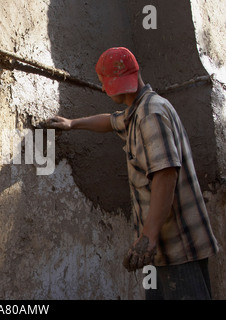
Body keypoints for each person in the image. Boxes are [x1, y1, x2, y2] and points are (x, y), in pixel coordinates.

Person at [46, 47, 219, 300]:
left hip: (177, 249)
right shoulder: (138, 111)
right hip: (163, 251)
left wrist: (147, 237)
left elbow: (165, 174)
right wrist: (72, 123)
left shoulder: (151, 115)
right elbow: (110, 120)